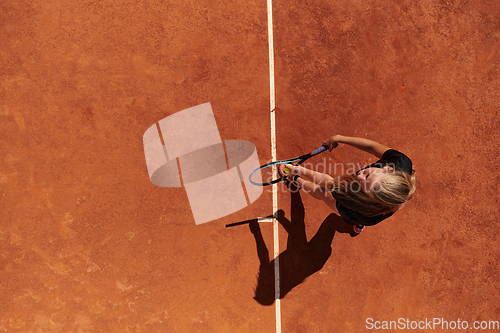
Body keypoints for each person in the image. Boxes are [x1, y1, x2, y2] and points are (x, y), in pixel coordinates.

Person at [279, 134, 416, 234]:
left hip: (358, 212)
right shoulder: (402, 163)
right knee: (361, 216)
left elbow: (327, 182)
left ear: (371, 197)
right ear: (388, 169)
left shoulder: (355, 198)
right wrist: (339, 138)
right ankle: (359, 224)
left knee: (322, 193)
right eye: (367, 175)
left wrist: (296, 170)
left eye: (364, 185)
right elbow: (371, 146)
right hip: (370, 214)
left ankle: (295, 179)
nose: (359, 177)